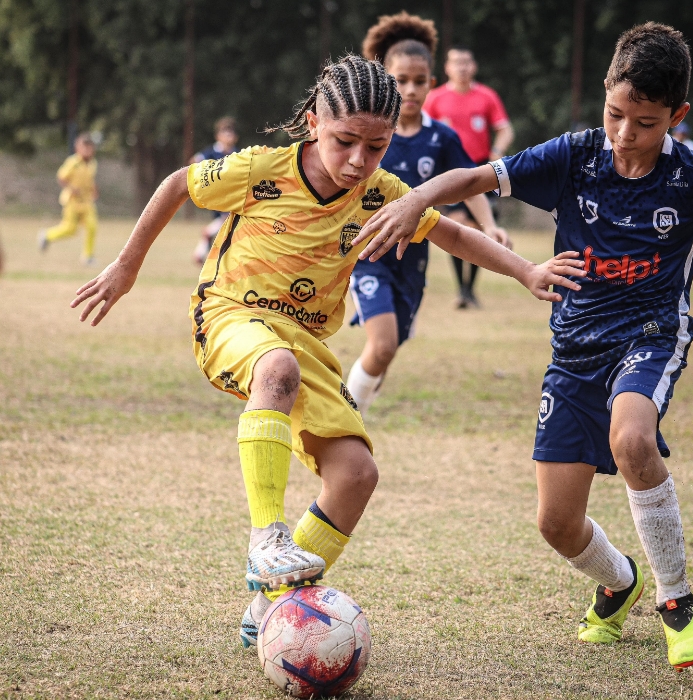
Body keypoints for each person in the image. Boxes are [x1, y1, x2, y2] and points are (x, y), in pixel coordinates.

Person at [353, 23, 693, 670]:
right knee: (556, 524)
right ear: (604, 96)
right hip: (573, 348)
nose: (626, 135)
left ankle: (677, 603)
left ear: (676, 117)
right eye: (615, 115)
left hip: (650, 333)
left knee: (632, 440)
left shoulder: (692, 176)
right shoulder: (574, 155)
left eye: (646, 123)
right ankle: (619, 582)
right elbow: (478, 176)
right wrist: (419, 200)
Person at [69, 55, 584, 649]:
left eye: (377, 146)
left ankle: (270, 606)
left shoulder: (381, 194)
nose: (360, 161)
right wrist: (127, 265)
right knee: (277, 367)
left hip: (303, 341)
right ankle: (268, 541)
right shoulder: (262, 170)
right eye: (345, 142)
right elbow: (177, 184)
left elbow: (450, 232)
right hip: (230, 313)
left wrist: (525, 270)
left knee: (357, 474)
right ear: (313, 123)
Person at [346, 12, 509, 415]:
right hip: (368, 253)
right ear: (386, 80)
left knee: (388, 350)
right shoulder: (368, 132)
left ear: (431, 84)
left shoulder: (441, 137)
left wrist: (489, 225)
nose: (411, 89)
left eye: (420, 81)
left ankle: (355, 403)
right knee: (381, 344)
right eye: (401, 80)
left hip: (413, 256)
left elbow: (469, 183)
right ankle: (346, 423)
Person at [423, 46, 514, 308]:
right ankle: (462, 289)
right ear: (447, 68)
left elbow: (506, 130)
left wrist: (496, 153)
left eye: (466, 61)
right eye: (456, 62)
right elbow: (422, 131)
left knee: (480, 230)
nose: (462, 67)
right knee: (458, 223)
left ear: (473, 66)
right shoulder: (435, 98)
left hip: (479, 171)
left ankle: (468, 289)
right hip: (451, 173)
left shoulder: (486, 96)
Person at [38, 134, 99, 265]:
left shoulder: (93, 163)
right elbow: (61, 177)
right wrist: (72, 188)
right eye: (85, 148)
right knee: (70, 229)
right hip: (72, 200)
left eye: (90, 148)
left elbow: (90, 179)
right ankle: (47, 235)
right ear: (78, 148)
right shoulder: (73, 162)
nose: (87, 151)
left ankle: (88, 256)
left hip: (87, 201)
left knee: (92, 226)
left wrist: (94, 189)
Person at [191, 117, 240, 265]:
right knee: (224, 223)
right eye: (225, 133)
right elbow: (194, 161)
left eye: (230, 133)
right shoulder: (212, 152)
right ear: (218, 135)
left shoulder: (237, 154)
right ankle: (207, 249)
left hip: (231, 195)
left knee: (227, 224)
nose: (228, 136)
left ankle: (202, 254)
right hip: (216, 195)